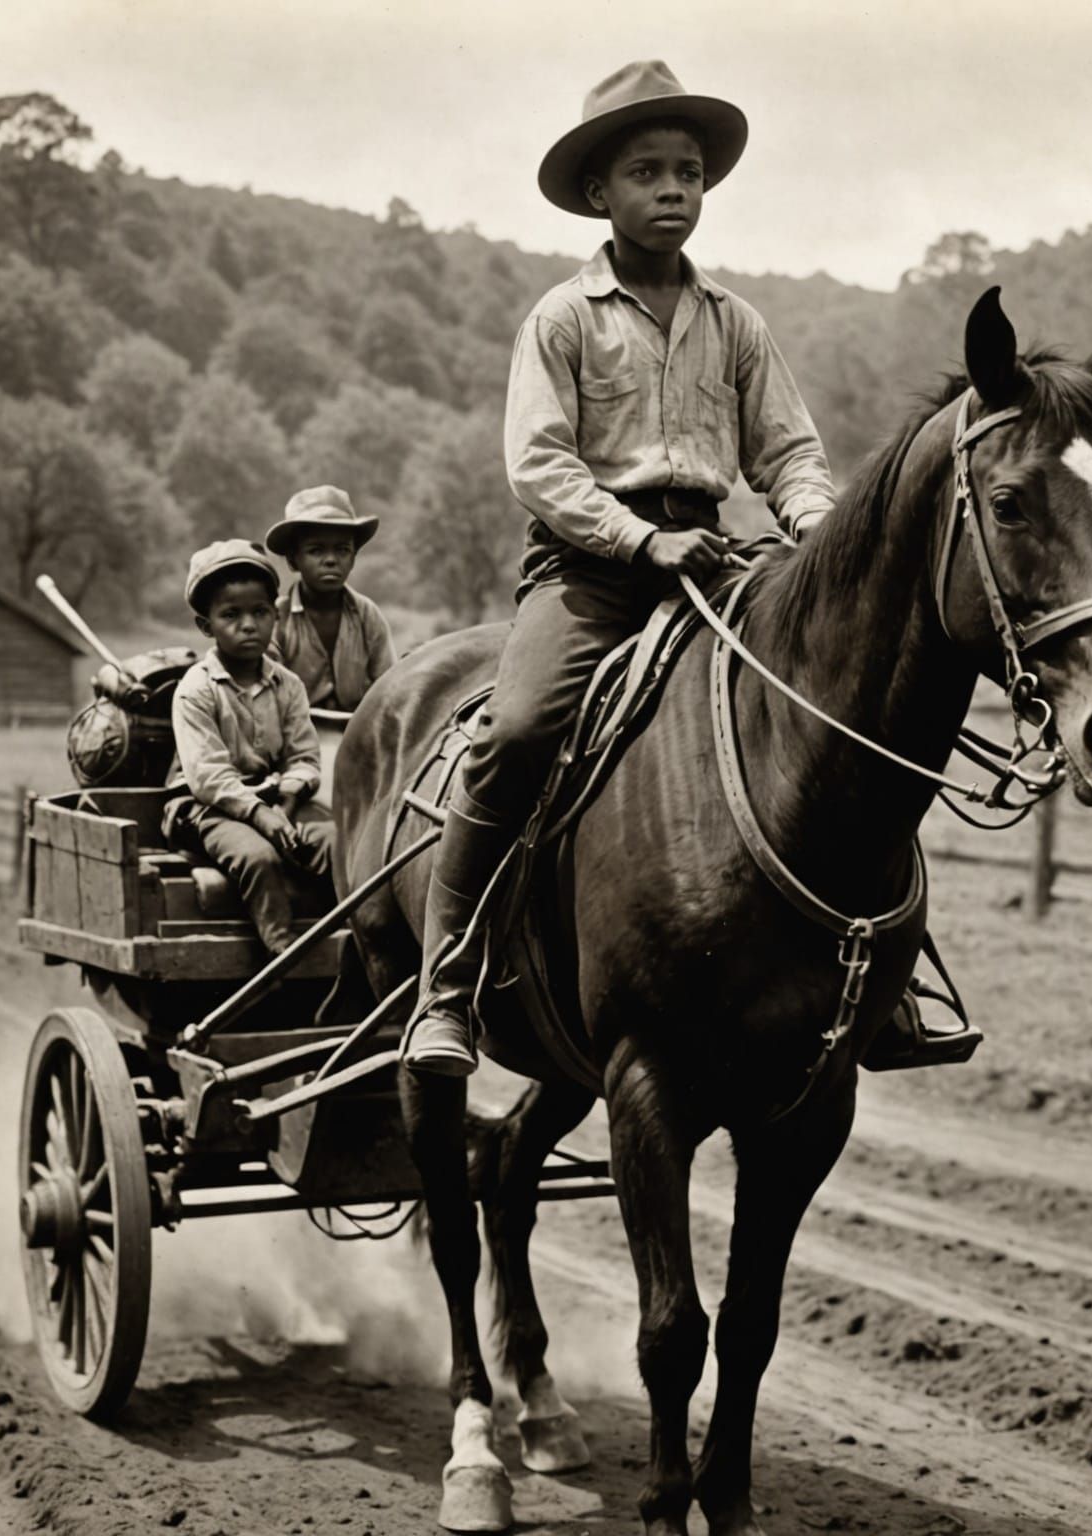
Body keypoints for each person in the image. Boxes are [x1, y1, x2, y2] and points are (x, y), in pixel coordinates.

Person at [403, 60, 839, 1074]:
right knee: (515, 734)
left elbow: (789, 453)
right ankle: (446, 987)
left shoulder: (735, 323)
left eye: (689, 172)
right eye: (648, 173)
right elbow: (540, 465)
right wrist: (641, 540)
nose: (674, 190)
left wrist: (817, 532)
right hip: (590, 570)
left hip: (712, 560)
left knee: (824, 716)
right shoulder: (565, 318)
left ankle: (877, 978)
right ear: (600, 193)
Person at [164, 539, 329, 956]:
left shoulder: (288, 685)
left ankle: (348, 938)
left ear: (276, 615)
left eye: (259, 612)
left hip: (278, 799)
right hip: (207, 807)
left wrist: (287, 800)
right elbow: (208, 776)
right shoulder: (196, 690)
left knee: (335, 843)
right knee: (259, 858)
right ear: (206, 626)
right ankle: (281, 954)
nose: (249, 625)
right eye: (231, 615)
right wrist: (260, 815)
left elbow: (304, 757)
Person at [266, 486, 397, 711]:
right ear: (293, 560)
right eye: (316, 551)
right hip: (296, 728)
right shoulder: (278, 619)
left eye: (342, 550)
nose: (330, 560)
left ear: (353, 557)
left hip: (360, 727)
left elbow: (388, 686)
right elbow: (270, 696)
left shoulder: (367, 615)